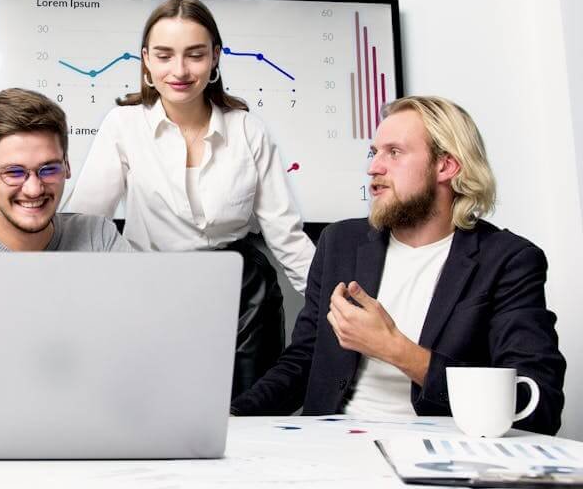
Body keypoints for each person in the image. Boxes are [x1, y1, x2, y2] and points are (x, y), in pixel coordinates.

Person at [234, 96, 566, 435]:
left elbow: (538, 406)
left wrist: (395, 349)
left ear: (446, 166)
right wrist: (231, 417)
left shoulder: (508, 260)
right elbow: (303, 361)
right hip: (332, 448)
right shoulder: (340, 242)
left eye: (394, 153)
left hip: (437, 452)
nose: (374, 167)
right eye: (374, 152)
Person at [65, 0, 315, 396]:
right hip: (149, 293)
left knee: (249, 425)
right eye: (164, 55)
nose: (179, 70)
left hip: (242, 301)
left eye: (195, 55)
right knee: (150, 415)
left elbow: (286, 236)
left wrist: (341, 308)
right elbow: (84, 224)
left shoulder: (248, 129)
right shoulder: (124, 125)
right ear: (146, 59)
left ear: (215, 57)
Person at [0, 88, 130, 252]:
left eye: (49, 169)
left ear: (67, 165)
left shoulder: (99, 240)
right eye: (14, 172)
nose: (34, 190)